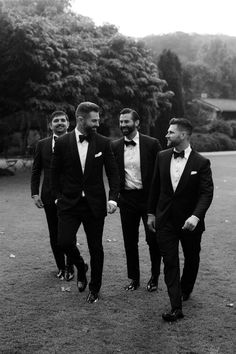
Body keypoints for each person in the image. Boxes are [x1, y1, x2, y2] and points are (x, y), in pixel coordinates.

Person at [51, 102, 120, 303]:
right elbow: (54, 174)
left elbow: (113, 173)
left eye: (98, 119)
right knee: (63, 241)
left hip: (95, 204)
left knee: (96, 247)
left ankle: (95, 288)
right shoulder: (62, 143)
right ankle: (81, 267)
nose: (98, 123)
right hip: (69, 204)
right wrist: (57, 197)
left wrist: (113, 198)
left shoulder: (103, 142)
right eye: (94, 120)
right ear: (81, 119)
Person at [147, 118, 213, 322]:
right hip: (165, 220)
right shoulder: (162, 156)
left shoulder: (201, 162)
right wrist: (151, 213)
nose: (166, 135)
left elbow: (206, 193)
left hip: (190, 223)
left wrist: (195, 216)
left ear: (183, 135)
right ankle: (176, 306)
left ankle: (186, 289)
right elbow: (155, 187)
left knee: (191, 258)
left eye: (170, 132)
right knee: (170, 262)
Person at [111, 108, 162, 291]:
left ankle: (155, 277)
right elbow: (114, 175)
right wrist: (114, 198)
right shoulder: (115, 146)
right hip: (127, 200)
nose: (123, 125)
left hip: (149, 199)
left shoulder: (152, 143)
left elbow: (160, 174)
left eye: (127, 121)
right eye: (121, 122)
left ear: (137, 123)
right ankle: (134, 278)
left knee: (153, 240)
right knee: (129, 241)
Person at [31, 111, 74, 281]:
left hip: (70, 196)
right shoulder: (42, 145)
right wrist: (34, 193)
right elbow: (36, 171)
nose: (60, 123)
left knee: (68, 234)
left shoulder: (75, 142)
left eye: (63, 120)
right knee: (54, 233)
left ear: (68, 124)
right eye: (56, 121)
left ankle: (71, 266)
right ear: (50, 125)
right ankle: (61, 267)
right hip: (48, 195)